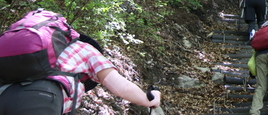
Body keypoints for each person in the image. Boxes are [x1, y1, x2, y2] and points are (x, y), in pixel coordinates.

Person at [0, 33, 161, 114]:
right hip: (41, 97)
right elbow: (122, 87)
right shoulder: (87, 50)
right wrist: (149, 100)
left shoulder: (49, 50)